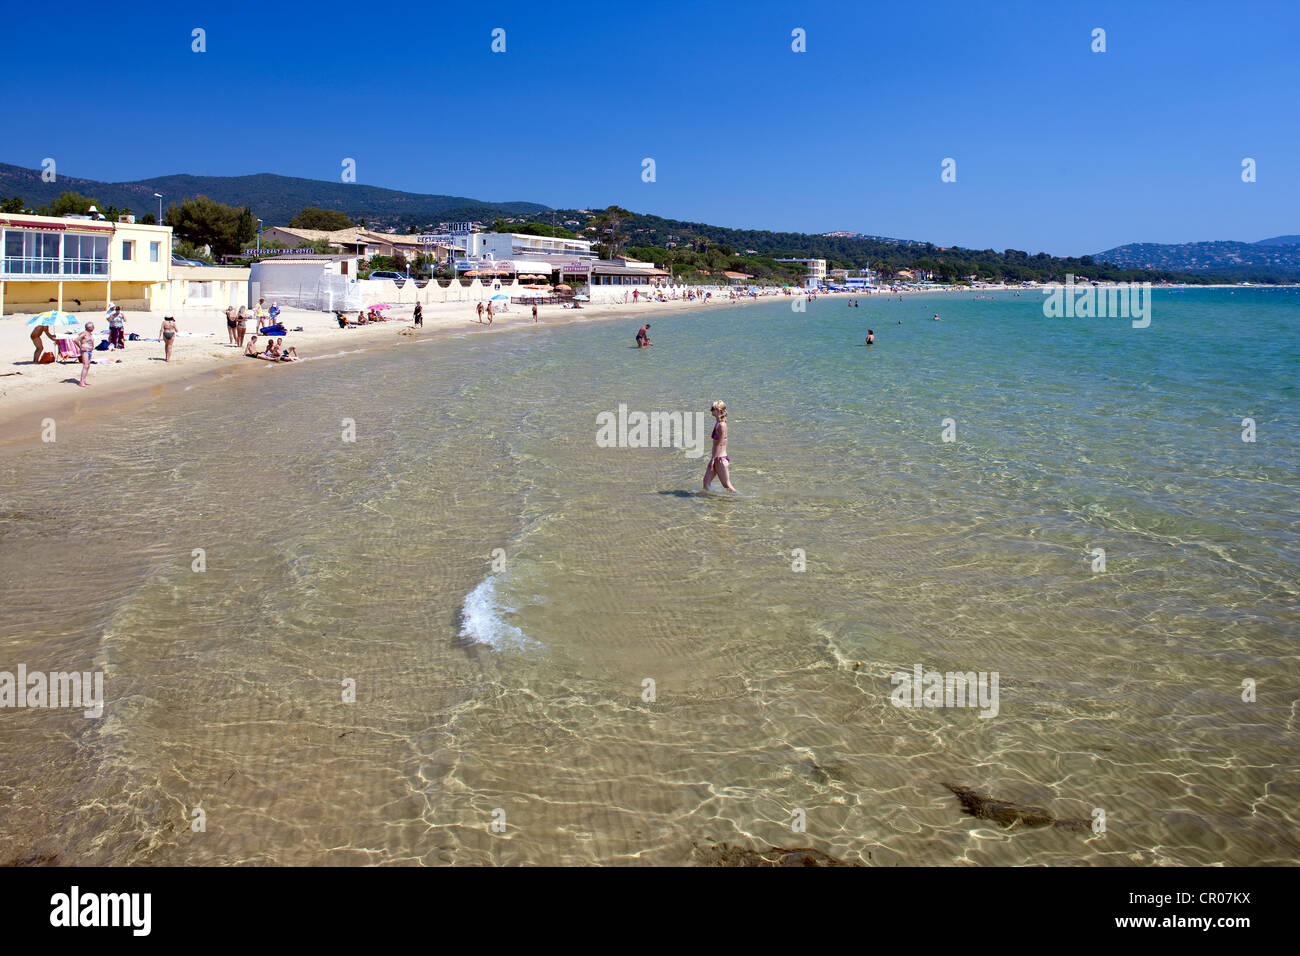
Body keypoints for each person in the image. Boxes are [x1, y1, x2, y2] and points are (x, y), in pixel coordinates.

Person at [703, 400, 736, 493]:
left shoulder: (722, 425)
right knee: (706, 482)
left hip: (720, 459)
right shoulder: (718, 423)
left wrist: (713, 460)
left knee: (727, 485)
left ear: (718, 410)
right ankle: (711, 501)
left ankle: (739, 500)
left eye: (712, 409)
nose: (711, 411)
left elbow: (720, 443)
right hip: (716, 458)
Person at [75, 322, 95, 387]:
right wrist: (81, 347)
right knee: (85, 365)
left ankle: (84, 380)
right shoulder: (84, 333)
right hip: (85, 351)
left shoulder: (90, 334)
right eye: (92, 326)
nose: (93, 327)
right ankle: (81, 382)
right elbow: (76, 340)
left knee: (88, 366)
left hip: (90, 351)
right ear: (89, 327)